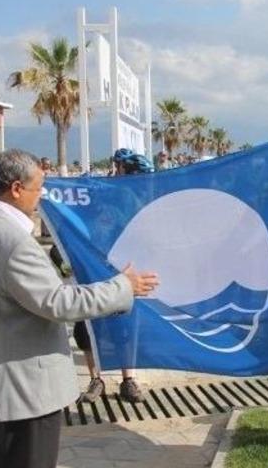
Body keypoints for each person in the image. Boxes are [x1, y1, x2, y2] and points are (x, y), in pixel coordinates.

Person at [0, 150, 159, 468]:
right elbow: (59, 303)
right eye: (38, 187)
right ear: (17, 189)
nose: (41, 195)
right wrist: (123, 287)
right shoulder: (12, 241)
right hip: (21, 392)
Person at [73, 148, 153, 404]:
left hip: (123, 272)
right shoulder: (101, 194)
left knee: (125, 328)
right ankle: (96, 379)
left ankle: (128, 380)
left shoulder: (139, 201)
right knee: (87, 328)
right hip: (94, 270)